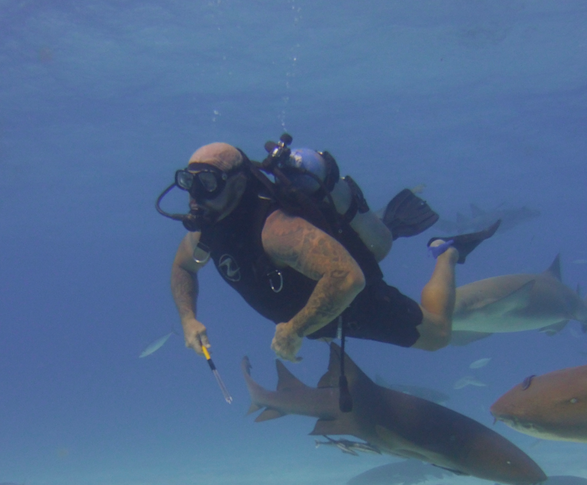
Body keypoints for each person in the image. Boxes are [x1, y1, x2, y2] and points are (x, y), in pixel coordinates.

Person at [157, 138, 498, 362]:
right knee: (356, 249)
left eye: (207, 184)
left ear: (238, 183)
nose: (195, 196)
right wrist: (188, 319)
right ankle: (381, 227)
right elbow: (184, 266)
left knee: (439, 335)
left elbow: (347, 277)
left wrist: (295, 329)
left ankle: (446, 253)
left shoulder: (279, 230)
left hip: (352, 305)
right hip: (314, 307)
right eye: (189, 182)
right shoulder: (209, 223)